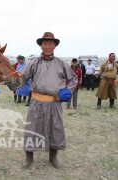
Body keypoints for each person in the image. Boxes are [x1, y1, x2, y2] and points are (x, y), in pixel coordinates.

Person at [20, 32, 78, 168]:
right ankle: (29, 157)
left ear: (54, 46)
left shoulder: (61, 63)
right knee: (32, 128)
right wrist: (11, 81)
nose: (47, 46)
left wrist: (66, 92)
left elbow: (73, 79)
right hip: (36, 103)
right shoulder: (34, 63)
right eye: (44, 43)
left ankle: (53, 157)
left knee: (55, 129)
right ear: (41, 46)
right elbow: (21, 76)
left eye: (50, 43)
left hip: (54, 103)